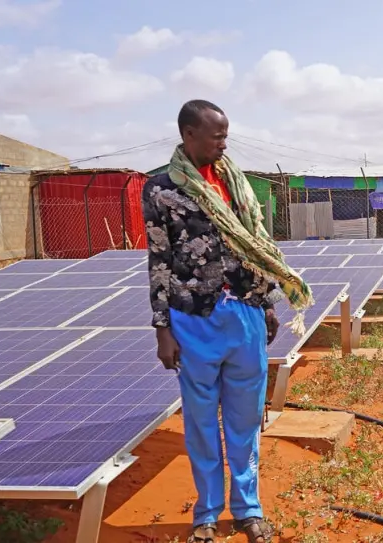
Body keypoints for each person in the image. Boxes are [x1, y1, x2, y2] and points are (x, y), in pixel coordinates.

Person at [142, 99, 313, 543]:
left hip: (246, 316)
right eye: (215, 135)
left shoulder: (237, 185)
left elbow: (254, 248)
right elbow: (159, 259)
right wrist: (162, 328)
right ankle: (206, 513)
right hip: (193, 320)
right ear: (188, 135)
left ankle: (247, 509)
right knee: (200, 424)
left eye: (225, 134)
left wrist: (269, 303)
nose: (223, 143)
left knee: (245, 420)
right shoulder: (162, 189)